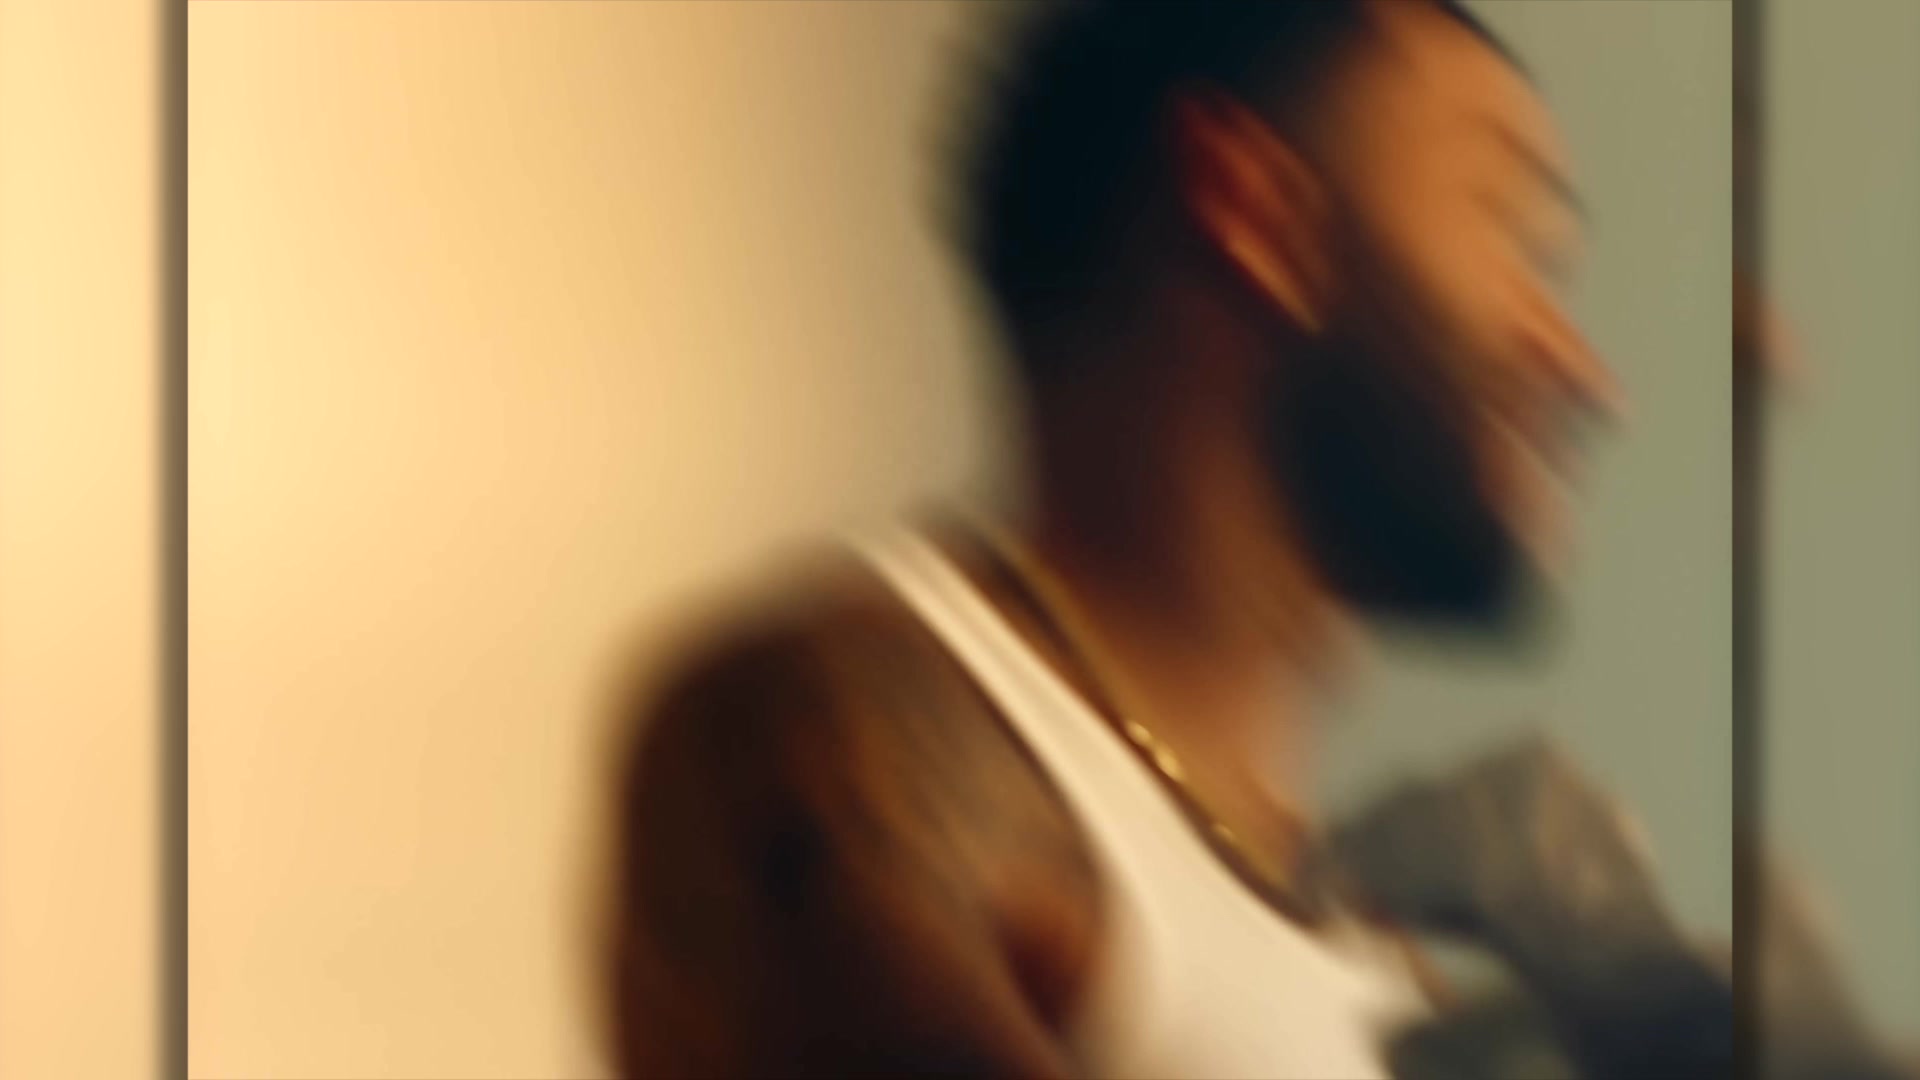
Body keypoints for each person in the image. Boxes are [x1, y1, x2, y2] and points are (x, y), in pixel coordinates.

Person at [609, 1, 1628, 1076]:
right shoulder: (843, 729)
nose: (1584, 370)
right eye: (1508, 226)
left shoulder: (1386, 968)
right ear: (1252, 208)